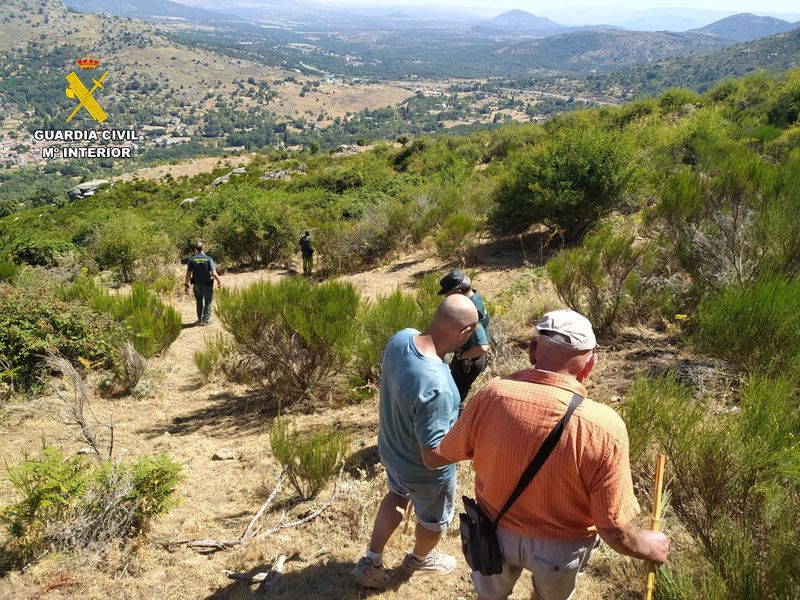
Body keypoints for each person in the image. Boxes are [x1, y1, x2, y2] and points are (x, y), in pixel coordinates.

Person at [428, 309, 670, 600]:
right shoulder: (603, 426)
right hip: (560, 548)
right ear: (590, 362)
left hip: (493, 531)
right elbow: (613, 529)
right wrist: (648, 545)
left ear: (532, 351)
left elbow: (446, 452)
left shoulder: (492, 395)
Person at [352, 294, 483, 589]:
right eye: (473, 329)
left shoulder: (402, 338)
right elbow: (432, 456)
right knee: (433, 521)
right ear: (464, 332)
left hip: (393, 452)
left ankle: (372, 559)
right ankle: (420, 559)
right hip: (425, 475)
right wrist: (474, 447)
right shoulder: (439, 386)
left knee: (396, 496)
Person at [437, 271, 490, 408]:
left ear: (459, 291)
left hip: (469, 361)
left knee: (455, 398)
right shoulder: (475, 297)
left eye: (447, 294)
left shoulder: (471, 310)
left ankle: (456, 427)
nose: (446, 298)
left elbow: (482, 346)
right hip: (469, 358)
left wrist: (463, 355)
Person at [184, 240, 222, 326]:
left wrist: (186, 284)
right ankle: (206, 320)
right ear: (203, 248)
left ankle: (199, 319)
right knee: (208, 301)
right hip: (207, 284)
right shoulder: (209, 259)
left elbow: (188, 273)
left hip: (196, 284)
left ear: (196, 249)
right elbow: (213, 273)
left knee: (199, 300)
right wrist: (219, 281)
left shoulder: (192, 259)